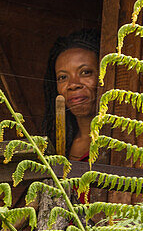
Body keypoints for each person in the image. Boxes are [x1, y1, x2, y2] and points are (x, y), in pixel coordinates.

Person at [41, 29, 101, 160]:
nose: (73, 84)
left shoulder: (121, 141)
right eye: (63, 77)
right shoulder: (57, 146)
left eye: (85, 72)